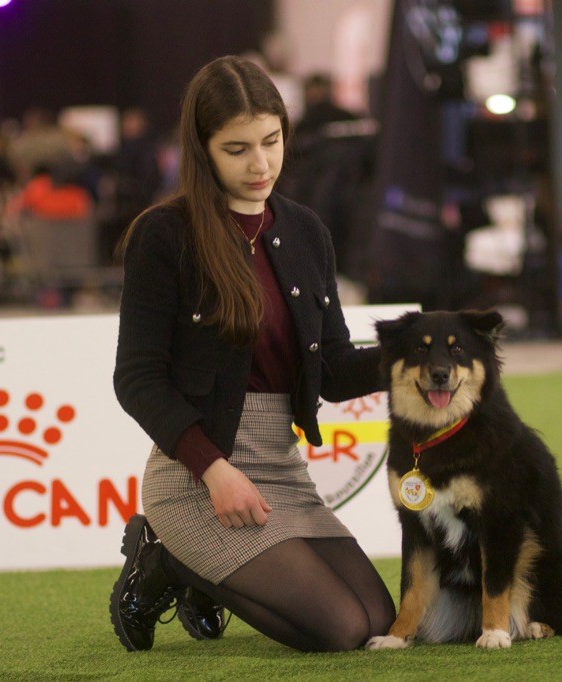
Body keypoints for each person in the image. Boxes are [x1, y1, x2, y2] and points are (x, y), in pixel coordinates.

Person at [108, 55, 395, 653]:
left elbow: (333, 370)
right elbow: (136, 379)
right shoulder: (164, 235)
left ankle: (195, 571)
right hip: (196, 475)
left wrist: (413, 357)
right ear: (202, 150)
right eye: (236, 149)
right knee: (341, 629)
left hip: (281, 471)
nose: (260, 164)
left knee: (376, 619)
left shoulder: (306, 230)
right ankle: (169, 559)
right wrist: (214, 469)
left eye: (271, 141)